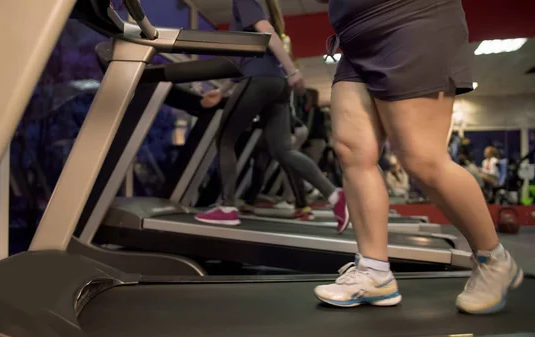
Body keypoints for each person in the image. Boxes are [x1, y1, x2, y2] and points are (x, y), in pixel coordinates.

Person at [314, 0, 523, 314]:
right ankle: (374, 272)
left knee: (422, 159)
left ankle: (494, 260)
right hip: (355, 33)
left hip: (409, 16)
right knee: (352, 151)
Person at [194, 0, 349, 230]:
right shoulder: (264, 6)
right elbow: (245, 58)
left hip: (259, 81)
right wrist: (222, 91)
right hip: (277, 85)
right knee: (282, 150)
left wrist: (293, 71)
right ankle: (335, 195)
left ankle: (227, 207)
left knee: (225, 139)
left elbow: (266, 31)